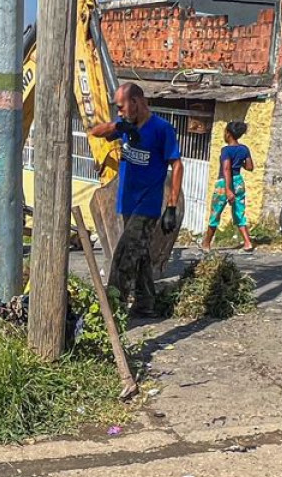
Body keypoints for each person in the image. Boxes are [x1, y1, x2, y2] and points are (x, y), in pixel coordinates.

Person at [90, 82, 183, 318]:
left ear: (136, 102)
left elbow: (177, 164)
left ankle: (111, 310)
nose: (119, 112)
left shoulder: (162, 129)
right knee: (140, 254)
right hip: (127, 202)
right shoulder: (125, 126)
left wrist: (171, 205)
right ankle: (146, 303)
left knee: (124, 254)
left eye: (121, 107)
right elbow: (95, 131)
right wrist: (119, 125)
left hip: (148, 204)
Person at [201, 119, 256, 252]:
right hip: (239, 182)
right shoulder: (244, 149)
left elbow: (226, 169)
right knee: (239, 213)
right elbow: (250, 167)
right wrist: (239, 163)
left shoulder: (226, 150)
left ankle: (206, 244)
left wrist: (228, 189)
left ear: (228, 134)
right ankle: (248, 243)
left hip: (224, 184)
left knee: (215, 213)